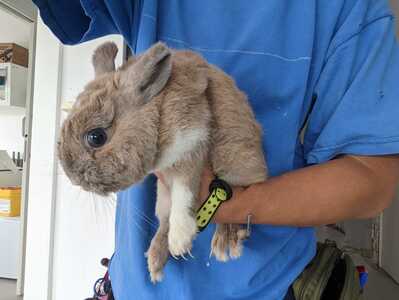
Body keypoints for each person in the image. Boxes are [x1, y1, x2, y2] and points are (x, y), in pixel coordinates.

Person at [33, 1, 399, 299]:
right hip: (131, 283)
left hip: (260, 286)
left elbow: (372, 177)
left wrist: (218, 206)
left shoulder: (346, 10)